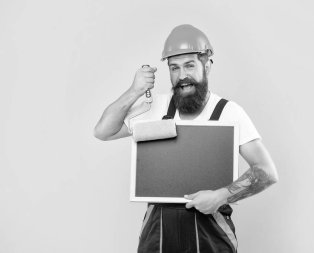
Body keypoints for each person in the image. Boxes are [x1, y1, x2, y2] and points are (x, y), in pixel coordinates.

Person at [94, 24, 279, 253]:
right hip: (158, 229)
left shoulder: (229, 112)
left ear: (207, 65)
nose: (182, 76)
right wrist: (134, 91)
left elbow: (266, 172)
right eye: (174, 68)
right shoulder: (155, 107)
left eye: (190, 65)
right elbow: (103, 130)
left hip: (211, 229)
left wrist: (221, 196)